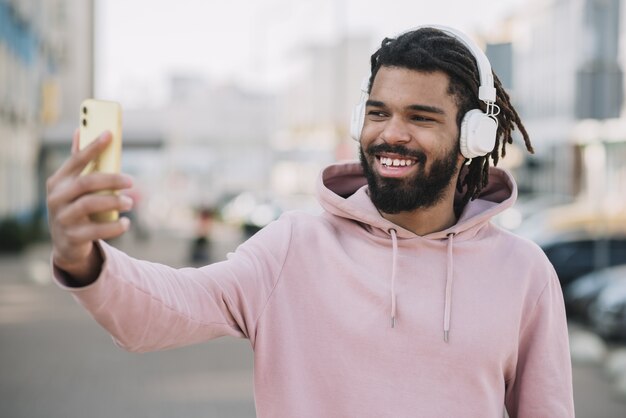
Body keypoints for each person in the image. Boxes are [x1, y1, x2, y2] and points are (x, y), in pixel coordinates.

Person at [46, 25, 575, 417]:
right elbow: (156, 314)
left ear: (472, 138)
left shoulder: (524, 272)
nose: (391, 133)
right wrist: (84, 259)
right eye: (377, 112)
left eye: (420, 116)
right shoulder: (293, 247)